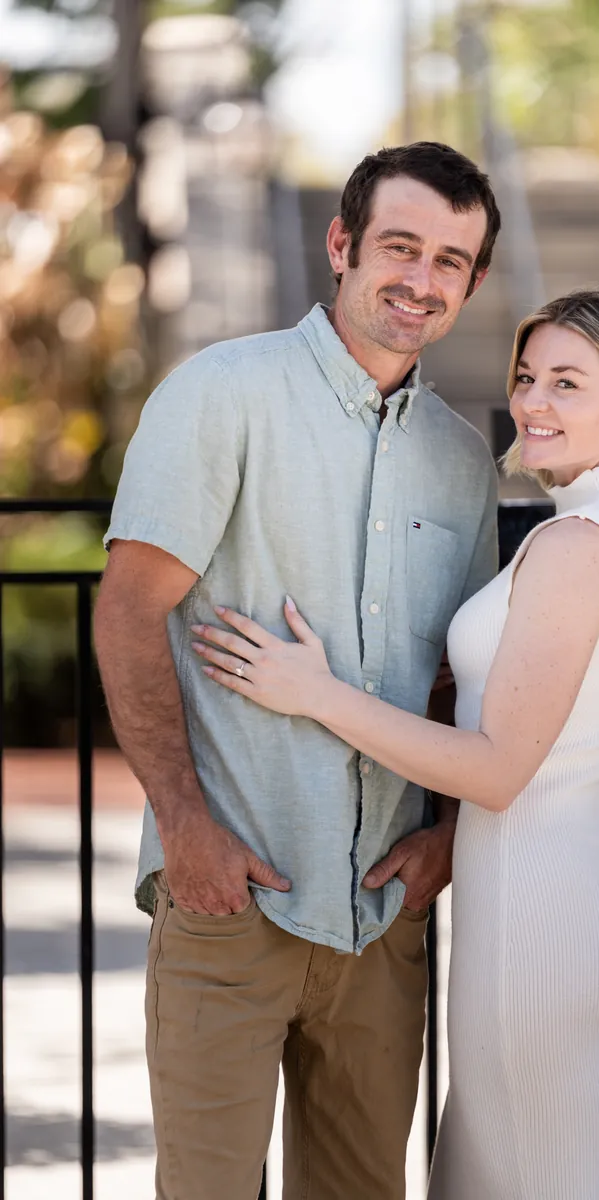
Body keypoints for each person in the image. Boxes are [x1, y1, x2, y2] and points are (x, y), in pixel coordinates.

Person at [191, 287, 599, 1200]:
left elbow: (499, 770)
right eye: (527, 377)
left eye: (567, 383)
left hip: (540, 921)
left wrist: (314, 693)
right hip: (594, 905)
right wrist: (460, 679)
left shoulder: (577, 546)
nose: (534, 403)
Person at [93, 141, 502, 1200]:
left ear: (471, 283)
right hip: (231, 902)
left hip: (382, 924)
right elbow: (131, 613)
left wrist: (447, 840)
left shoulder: (462, 459)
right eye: (399, 247)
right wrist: (184, 827)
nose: (419, 280)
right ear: (340, 245)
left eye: (448, 261)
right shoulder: (222, 393)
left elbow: (467, 682)